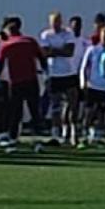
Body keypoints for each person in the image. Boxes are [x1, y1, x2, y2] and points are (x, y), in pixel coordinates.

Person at [0, 17, 47, 146]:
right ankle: (38, 140)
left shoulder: (6, 45)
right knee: (34, 111)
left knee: (15, 111)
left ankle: (13, 138)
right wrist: (45, 72)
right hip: (31, 80)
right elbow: (42, 57)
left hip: (15, 82)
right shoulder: (30, 41)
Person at [39, 11, 79, 147]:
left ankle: (71, 132)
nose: (56, 24)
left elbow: (69, 52)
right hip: (53, 74)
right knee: (55, 105)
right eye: (53, 21)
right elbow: (44, 53)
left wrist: (53, 51)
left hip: (68, 73)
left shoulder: (68, 33)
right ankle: (56, 134)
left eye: (58, 21)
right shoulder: (45, 35)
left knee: (72, 104)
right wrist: (59, 50)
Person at [79, 26, 105, 148]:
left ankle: (98, 136)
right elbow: (84, 66)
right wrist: (83, 81)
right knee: (89, 111)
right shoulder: (92, 50)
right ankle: (84, 135)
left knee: (102, 112)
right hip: (92, 85)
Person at [65, 15, 90, 146]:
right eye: (74, 25)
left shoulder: (85, 42)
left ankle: (77, 131)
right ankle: (65, 131)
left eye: (78, 26)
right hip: (68, 75)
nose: (76, 28)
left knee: (79, 105)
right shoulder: (67, 40)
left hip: (80, 76)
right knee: (68, 105)